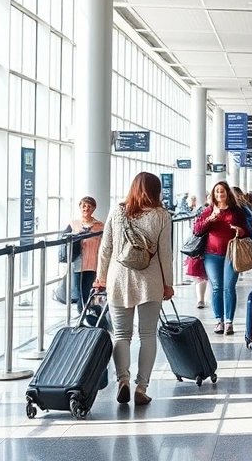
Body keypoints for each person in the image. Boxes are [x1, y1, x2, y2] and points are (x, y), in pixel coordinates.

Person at [94, 172, 174, 406]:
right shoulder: (161, 215)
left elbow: (105, 248)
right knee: (148, 334)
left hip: (119, 279)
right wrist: (168, 283)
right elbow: (165, 254)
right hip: (150, 281)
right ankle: (142, 386)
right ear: (156, 190)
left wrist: (100, 278)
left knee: (121, 335)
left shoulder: (117, 212)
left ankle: (123, 382)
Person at [193, 181, 252, 336]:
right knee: (216, 287)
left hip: (231, 253)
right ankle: (219, 320)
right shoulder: (208, 211)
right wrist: (209, 219)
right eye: (217, 192)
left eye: (222, 192)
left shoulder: (236, 212)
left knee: (228, 287)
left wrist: (240, 231)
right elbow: (197, 230)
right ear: (213, 195)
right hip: (211, 254)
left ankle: (229, 322)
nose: (220, 195)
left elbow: (248, 231)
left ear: (227, 194)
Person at [63, 196, 104, 312]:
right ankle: (83, 315)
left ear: (94, 208)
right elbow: (63, 238)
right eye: (84, 206)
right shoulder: (73, 224)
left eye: (89, 206)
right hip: (78, 263)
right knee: (80, 291)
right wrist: (74, 236)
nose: (86, 208)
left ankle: (89, 314)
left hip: (93, 263)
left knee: (89, 290)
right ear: (80, 207)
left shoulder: (100, 226)